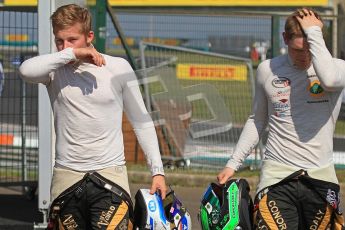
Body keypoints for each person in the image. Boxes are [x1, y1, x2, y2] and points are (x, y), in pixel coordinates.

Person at [19, 4, 167, 229]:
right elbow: (25, 70)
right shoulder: (54, 68)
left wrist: (157, 172)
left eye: (72, 40)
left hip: (110, 177)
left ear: (89, 36)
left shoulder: (117, 67)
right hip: (67, 178)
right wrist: (72, 52)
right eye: (59, 40)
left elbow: (141, 121)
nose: (64, 47)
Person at [217, 8, 345, 229]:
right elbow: (257, 120)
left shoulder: (336, 68)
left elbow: (331, 81)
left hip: (321, 178)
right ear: (285, 39)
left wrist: (314, 33)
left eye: (309, 48)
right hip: (277, 176)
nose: (305, 55)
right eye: (298, 50)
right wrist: (233, 163)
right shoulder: (268, 69)